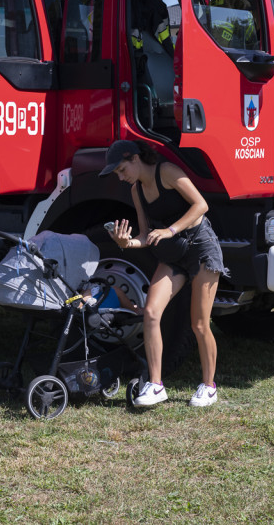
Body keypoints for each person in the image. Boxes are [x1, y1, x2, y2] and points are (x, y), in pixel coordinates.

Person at [100, 139, 228, 407]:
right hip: (173, 255)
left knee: (200, 324)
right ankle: (156, 386)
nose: (122, 177)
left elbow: (200, 206)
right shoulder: (137, 190)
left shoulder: (166, 171)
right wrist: (127, 243)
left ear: (135, 158)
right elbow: (146, 235)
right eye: (117, 174)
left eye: (122, 170)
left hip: (200, 248)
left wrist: (170, 230)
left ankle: (209, 387)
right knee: (150, 313)